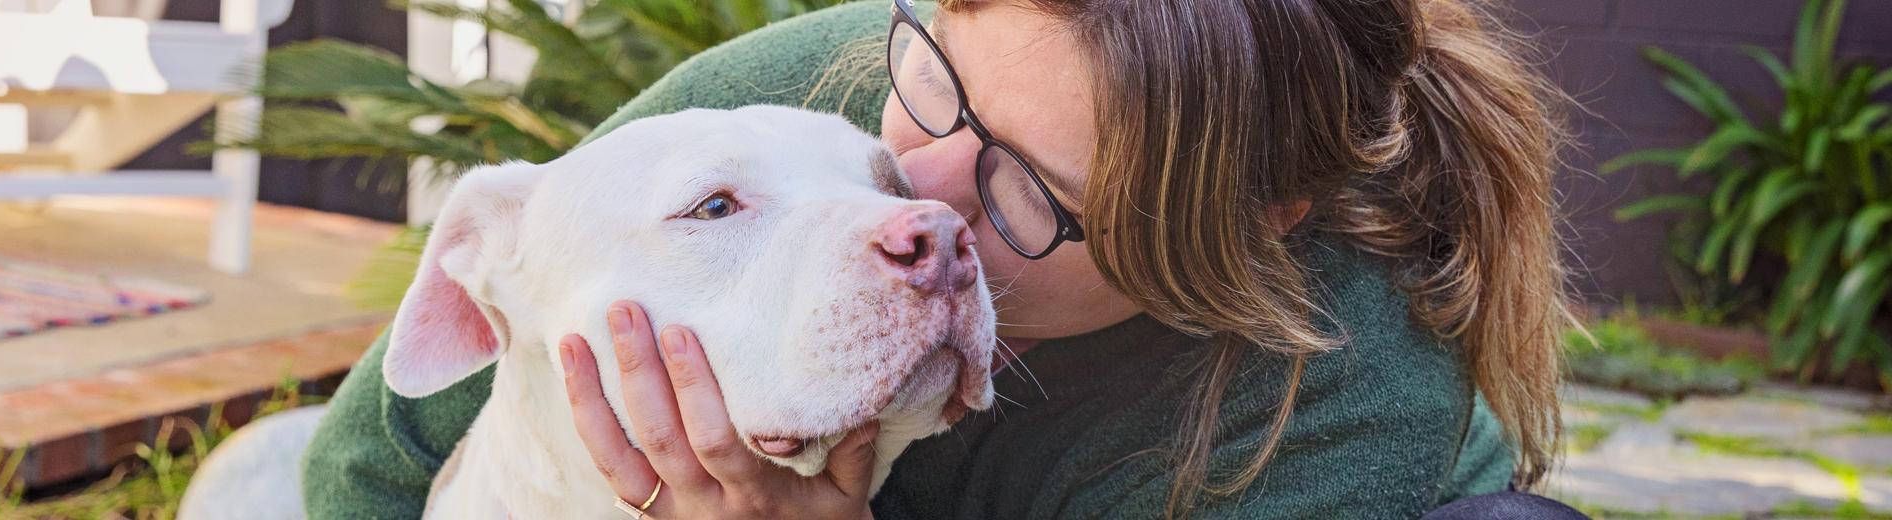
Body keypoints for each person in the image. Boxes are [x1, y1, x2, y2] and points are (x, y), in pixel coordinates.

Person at [301, 0, 1581, 517]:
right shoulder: (804, 107)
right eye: (936, 89)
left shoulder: (1336, 409)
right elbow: (368, 464)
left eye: (1032, 190)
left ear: (1252, 230)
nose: (921, 204)